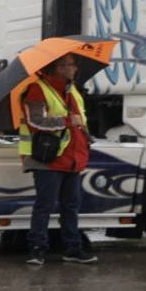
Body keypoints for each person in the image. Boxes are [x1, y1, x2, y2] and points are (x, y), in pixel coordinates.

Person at [18, 54, 99, 266]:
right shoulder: (38, 89)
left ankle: (72, 249)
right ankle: (37, 249)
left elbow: (81, 122)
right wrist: (66, 121)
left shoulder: (73, 92)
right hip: (48, 159)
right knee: (45, 205)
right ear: (60, 68)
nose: (75, 69)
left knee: (71, 206)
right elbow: (36, 121)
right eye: (72, 65)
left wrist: (86, 138)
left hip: (71, 158)